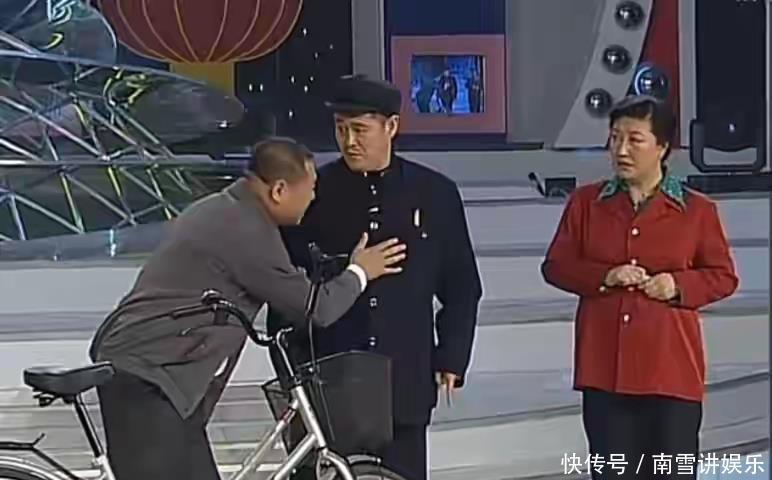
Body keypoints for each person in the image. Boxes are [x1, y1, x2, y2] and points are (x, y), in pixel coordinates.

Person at [88, 137, 407, 480]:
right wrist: (360, 271)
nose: (314, 197)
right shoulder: (246, 229)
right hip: (149, 378)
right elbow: (316, 308)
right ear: (279, 190)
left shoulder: (223, 208)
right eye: (311, 188)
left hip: (156, 374)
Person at [269, 74, 482, 480]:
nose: (349, 141)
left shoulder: (434, 193)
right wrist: (289, 370)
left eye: (360, 129)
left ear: (392, 127)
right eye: (341, 129)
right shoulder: (313, 192)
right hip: (329, 376)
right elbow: (284, 286)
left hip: (404, 375)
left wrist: (452, 357)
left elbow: (461, 286)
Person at [541, 95, 739, 480]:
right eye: (615, 138)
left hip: (670, 373)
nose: (621, 150)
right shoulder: (586, 203)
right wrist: (605, 276)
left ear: (662, 147)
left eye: (634, 139)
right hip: (604, 372)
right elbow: (556, 267)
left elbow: (723, 276)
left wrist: (677, 284)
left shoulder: (697, 210)